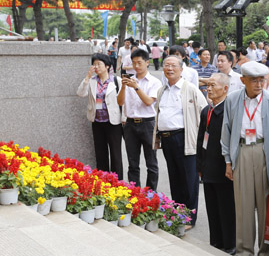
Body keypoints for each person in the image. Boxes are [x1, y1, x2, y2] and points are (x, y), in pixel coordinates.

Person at [221, 61, 269, 256]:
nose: (258, 84)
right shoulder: (232, 99)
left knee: (266, 204)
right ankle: (244, 250)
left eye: (261, 80)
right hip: (242, 151)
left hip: (265, 151)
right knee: (243, 204)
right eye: (253, 80)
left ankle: (265, 253)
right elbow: (226, 130)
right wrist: (228, 160)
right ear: (243, 80)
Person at [153, 55, 208, 226]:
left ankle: (190, 217)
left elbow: (204, 111)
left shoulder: (190, 89)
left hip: (184, 138)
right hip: (167, 139)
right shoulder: (162, 90)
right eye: (166, 65)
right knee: (174, 177)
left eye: (173, 66)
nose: (169, 69)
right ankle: (178, 214)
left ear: (181, 69)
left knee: (189, 179)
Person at [197, 73, 236, 254]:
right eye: (208, 85)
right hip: (208, 165)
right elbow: (201, 139)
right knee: (211, 206)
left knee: (226, 206)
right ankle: (216, 240)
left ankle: (230, 243)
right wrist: (199, 164)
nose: (209, 88)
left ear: (225, 89)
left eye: (213, 85)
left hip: (223, 166)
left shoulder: (229, 110)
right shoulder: (207, 110)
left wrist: (230, 164)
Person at [117, 48, 161, 190]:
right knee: (132, 162)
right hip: (130, 124)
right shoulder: (129, 80)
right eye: (134, 63)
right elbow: (119, 102)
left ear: (147, 62)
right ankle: (134, 192)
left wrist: (136, 87)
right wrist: (123, 87)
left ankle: (151, 193)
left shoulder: (154, 82)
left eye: (139, 63)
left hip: (148, 123)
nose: (136, 66)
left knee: (151, 162)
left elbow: (148, 102)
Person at [77, 53, 123, 179]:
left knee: (115, 154)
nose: (96, 67)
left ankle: (117, 181)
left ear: (107, 66)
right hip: (97, 121)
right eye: (94, 64)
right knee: (100, 153)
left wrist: (124, 119)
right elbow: (80, 93)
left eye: (99, 64)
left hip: (113, 122)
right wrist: (87, 77)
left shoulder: (116, 81)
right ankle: (103, 179)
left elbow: (124, 101)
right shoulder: (92, 81)